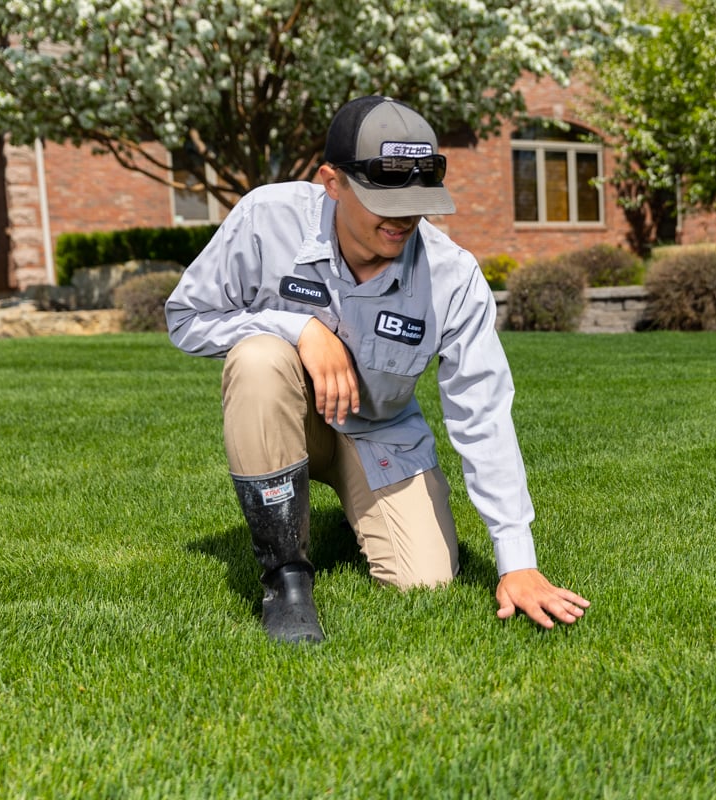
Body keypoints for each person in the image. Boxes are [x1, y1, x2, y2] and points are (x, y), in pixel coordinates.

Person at [165, 95, 589, 643]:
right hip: (291, 420)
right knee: (258, 356)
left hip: (380, 432)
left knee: (427, 582)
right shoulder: (265, 220)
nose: (403, 217)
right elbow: (185, 318)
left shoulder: (452, 276)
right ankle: (286, 580)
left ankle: (355, 506)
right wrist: (298, 329)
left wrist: (516, 560)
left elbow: (483, 414)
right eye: (383, 198)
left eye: (416, 200)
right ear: (332, 182)